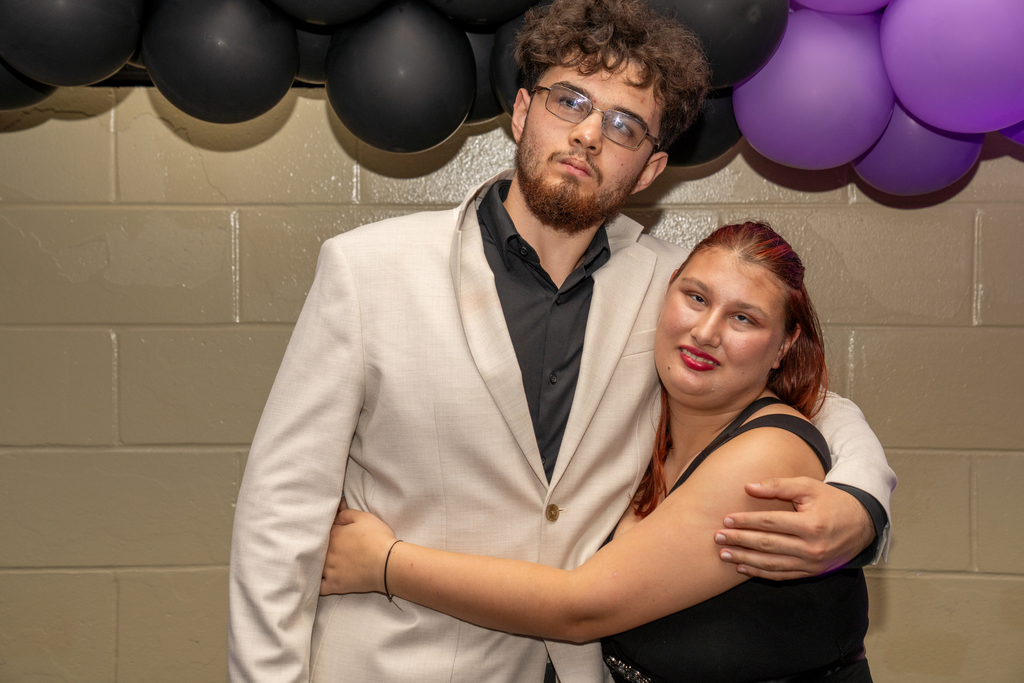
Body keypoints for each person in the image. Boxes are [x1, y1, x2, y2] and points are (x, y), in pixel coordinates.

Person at [228, 1, 895, 681]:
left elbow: (811, 405)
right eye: (569, 101)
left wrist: (863, 505)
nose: (587, 135)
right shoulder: (368, 269)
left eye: (622, 124)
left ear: (648, 169)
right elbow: (279, 511)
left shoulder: (674, 289)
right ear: (521, 112)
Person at [322, 221, 873, 682]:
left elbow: (580, 608)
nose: (706, 332)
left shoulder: (767, 459)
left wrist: (385, 563)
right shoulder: (646, 418)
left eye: (743, 318)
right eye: (696, 298)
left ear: (784, 346)